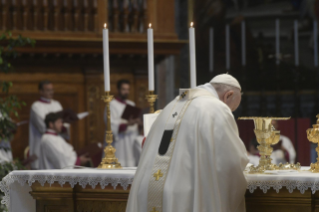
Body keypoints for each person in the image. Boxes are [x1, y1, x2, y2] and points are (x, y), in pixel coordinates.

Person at [126, 74, 249, 212]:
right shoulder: (216, 108)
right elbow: (230, 162)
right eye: (232, 108)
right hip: (184, 198)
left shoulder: (171, 105)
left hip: (148, 191)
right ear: (228, 95)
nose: (230, 111)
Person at [29, 80, 65, 169]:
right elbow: (44, 127)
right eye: (48, 90)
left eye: (52, 90)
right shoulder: (36, 106)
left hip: (57, 147)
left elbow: (62, 124)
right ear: (41, 91)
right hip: (40, 147)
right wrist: (62, 126)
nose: (51, 92)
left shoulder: (57, 104)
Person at [106, 79, 140, 167]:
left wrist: (137, 122)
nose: (126, 92)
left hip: (131, 141)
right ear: (118, 90)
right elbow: (111, 125)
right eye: (124, 89)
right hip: (119, 143)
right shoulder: (111, 105)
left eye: (128, 89)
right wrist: (127, 124)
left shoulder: (131, 104)